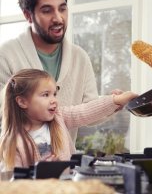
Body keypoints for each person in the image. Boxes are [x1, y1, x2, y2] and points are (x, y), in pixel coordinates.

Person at [0, 0, 106, 142]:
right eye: (47, 11)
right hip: (16, 163)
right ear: (28, 15)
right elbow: (3, 113)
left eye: (62, 9)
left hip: (62, 164)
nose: (58, 18)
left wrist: (114, 103)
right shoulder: (6, 54)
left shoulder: (80, 57)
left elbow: (90, 113)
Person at [0, 69, 138, 172]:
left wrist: (116, 100)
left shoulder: (59, 118)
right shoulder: (11, 143)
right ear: (22, 102)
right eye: (45, 95)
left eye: (54, 94)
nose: (54, 100)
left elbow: (85, 111)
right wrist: (40, 174)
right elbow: (13, 185)